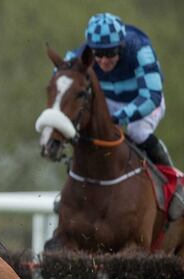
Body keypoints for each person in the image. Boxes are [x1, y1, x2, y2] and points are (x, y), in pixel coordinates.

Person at [66, 13, 183, 219]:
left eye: (110, 53)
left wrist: (117, 118)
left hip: (142, 99)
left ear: (121, 46)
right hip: (108, 100)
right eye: (98, 54)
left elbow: (152, 96)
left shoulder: (140, 49)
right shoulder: (81, 54)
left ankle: (176, 187)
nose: (103, 60)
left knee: (137, 131)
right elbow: (62, 75)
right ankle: (72, 189)